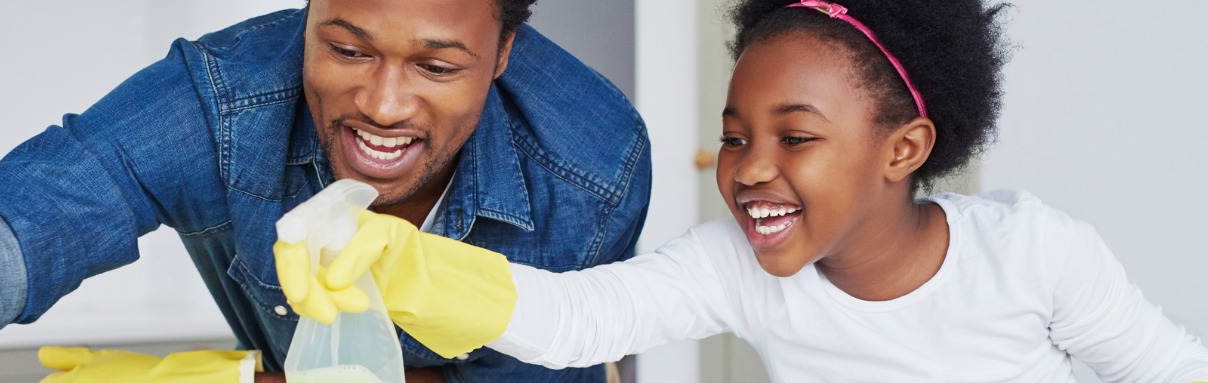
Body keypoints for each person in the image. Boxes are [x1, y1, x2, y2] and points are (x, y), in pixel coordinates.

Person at [285, 0, 1208, 381]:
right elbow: (578, 320)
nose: (750, 167)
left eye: (795, 137)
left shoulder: (1032, 252)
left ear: (905, 147)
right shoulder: (740, 263)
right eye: (734, 137)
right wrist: (406, 265)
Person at [0, 0, 652, 382]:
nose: (383, 105)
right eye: (347, 49)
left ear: (502, 55)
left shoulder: (592, 167)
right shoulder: (225, 105)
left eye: (435, 66)